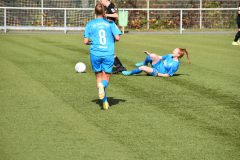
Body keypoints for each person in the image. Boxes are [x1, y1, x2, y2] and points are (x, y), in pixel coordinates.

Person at [83, 3, 121, 110]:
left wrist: (92, 42)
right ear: (105, 12)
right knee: (106, 77)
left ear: (95, 12)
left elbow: (85, 41)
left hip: (95, 53)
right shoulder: (110, 23)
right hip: (108, 53)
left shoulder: (90, 24)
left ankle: (104, 101)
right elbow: (117, 38)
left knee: (98, 77)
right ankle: (102, 88)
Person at [122, 48, 190, 77]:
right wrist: (149, 54)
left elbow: (168, 75)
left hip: (158, 71)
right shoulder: (170, 55)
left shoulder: (175, 64)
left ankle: (129, 73)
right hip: (159, 65)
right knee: (152, 55)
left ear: (178, 55)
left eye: (175, 50)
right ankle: (145, 62)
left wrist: (158, 74)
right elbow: (159, 57)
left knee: (142, 67)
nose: (173, 51)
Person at [100, 0, 127, 74]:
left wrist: (106, 15)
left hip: (111, 30)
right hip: (110, 30)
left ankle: (120, 67)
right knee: (107, 50)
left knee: (107, 50)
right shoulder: (109, 6)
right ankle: (119, 66)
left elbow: (116, 16)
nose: (100, 2)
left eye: (101, 1)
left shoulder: (110, 6)